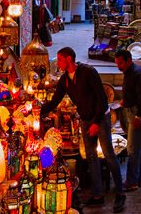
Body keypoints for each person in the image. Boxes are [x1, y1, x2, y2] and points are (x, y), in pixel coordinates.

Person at [41, 47, 126, 212]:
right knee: (91, 156)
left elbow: (102, 100)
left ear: (69, 59)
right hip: (86, 119)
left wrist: (95, 123)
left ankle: (120, 193)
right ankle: (97, 194)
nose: (57, 63)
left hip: (100, 117)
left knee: (108, 154)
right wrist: (39, 110)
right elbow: (55, 101)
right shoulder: (65, 80)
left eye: (59, 60)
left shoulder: (88, 72)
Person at [114, 49, 141, 191]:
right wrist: (126, 101)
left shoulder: (137, 73)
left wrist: (138, 116)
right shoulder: (129, 72)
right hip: (134, 110)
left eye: (121, 63)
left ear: (129, 60)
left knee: (132, 149)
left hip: (139, 112)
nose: (119, 66)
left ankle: (132, 182)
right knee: (138, 146)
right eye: (117, 63)